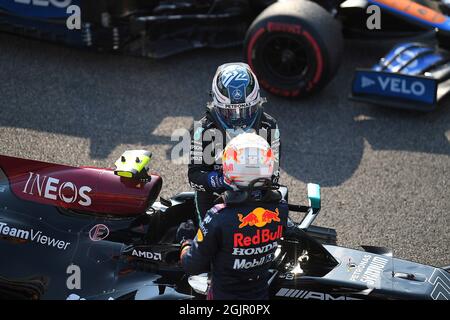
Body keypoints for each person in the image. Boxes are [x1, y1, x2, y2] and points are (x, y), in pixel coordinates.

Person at [180, 133, 288, 300]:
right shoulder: (280, 209)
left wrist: (186, 242)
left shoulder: (219, 216)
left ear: (229, 167)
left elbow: (192, 266)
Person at [188, 62, 281, 224]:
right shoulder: (201, 130)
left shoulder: (269, 126)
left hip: (256, 193)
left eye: (245, 110)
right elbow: (194, 177)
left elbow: (274, 173)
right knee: (209, 242)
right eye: (230, 111)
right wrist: (221, 180)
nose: (238, 118)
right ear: (216, 104)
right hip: (215, 196)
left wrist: (248, 185)